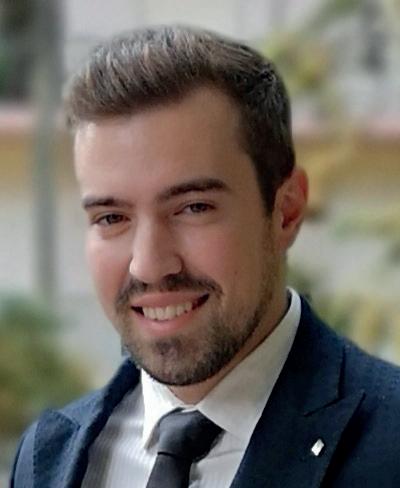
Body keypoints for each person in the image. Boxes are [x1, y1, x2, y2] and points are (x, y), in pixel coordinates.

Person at [11, 25, 400, 488]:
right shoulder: (46, 458)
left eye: (193, 208)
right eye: (112, 217)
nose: (148, 265)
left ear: (286, 210)